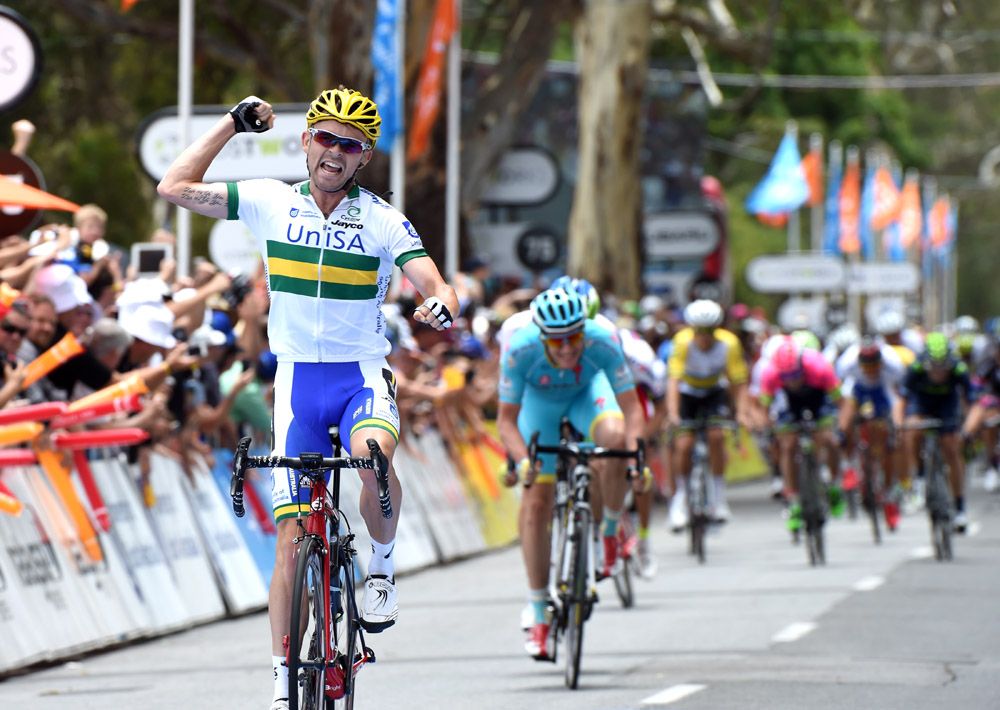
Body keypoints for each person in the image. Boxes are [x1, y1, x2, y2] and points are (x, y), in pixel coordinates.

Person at [156, 88, 457, 710]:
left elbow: (434, 280)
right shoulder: (269, 200)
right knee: (291, 541)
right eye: (326, 136)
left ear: (363, 157)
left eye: (350, 144)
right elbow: (174, 186)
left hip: (359, 376)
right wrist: (231, 126)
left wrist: (442, 303)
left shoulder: (380, 218)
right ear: (307, 141)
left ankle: (380, 570)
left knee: (374, 454)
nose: (335, 151)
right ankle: (282, 677)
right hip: (296, 382)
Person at [497, 287, 645, 661]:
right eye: (557, 341)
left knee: (613, 439)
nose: (567, 349)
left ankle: (609, 530)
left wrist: (635, 459)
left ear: (585, 329)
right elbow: (506, 421)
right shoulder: (520, 349)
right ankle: (538, 609)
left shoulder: (603, 341)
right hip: (539, 406)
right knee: (536, 502)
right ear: (542, 336)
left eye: (574, 337)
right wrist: (523, 461)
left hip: (586, 395)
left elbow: (632, 408)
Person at [666, 299, 749, 529]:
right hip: (688, 393)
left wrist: (741, 412)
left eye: (709, 331)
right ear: (691, 329)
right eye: (699, 332)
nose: (704, 337)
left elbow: (739, 381)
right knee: (683, 445)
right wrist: (673, 413)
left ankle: (719, 498)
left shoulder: (729, 344)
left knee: (716, 436)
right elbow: (673, 381)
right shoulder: (682, 342)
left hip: (714, 391)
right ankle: (680, 498)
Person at [758, 337, 843, 533]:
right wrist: (768, 429)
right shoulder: (771, 373)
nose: (793, 381)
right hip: (790, 404)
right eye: (787, 377)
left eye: (795, 375)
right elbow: (765, 407)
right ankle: (794, 498)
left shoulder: (819, 366)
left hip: (818, 398)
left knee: (829, 440)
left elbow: (841, 401)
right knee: (787, 445)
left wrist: (841, 426)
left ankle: (834, 485)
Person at [894, 332, 975, 532]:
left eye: (943, 368)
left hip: (948, 406)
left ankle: (959, 507)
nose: (938, 373)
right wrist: (898, 424)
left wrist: (967, 429)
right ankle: (920, 479)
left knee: (952, 447)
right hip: (922, 405)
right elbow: (901, 401)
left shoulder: (959, 369)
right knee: (912, 430)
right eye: (934, 368)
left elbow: (972, 402)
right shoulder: (916, 367)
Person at [835, 336, 906, 530]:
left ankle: (889, 494)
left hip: (883, 391)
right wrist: (843, 426)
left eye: (874, 366)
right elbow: (840, 395)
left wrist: (896, 426)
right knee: (847, 413)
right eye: (866, 366)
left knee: (887, 439)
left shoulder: (893, 365)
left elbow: (897, 400)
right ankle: (848, 464)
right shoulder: (847, 364)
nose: (871, 370)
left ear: (881, 362)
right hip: (857, 390)